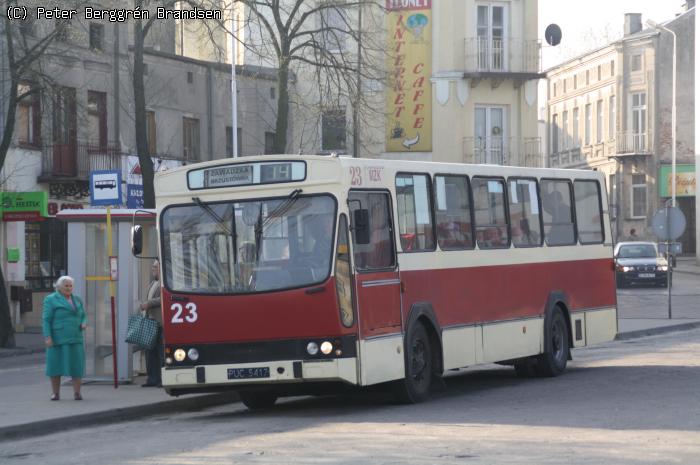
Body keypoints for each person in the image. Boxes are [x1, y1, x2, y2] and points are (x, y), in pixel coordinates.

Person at [42, 276, 87, 401]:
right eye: (66, 286)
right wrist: (47, 337)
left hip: (75, 337)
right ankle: (55, 393)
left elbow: (83, 314)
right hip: (57, 338)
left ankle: (77, 393)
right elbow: (46, 320)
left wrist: (84, 322)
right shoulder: (51, 299)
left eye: (70, 286)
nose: (69, 288)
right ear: (59, 287)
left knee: (77, 365)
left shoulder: (77, 299)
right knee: (55, 366)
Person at [140, 260, 162, 387]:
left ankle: (161, 379)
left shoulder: (164, 283)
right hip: (149, 321)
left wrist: (149, 303)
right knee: (150, 351)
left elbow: (163, 298)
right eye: (152, 266)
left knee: (159, 352)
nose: (153, 268)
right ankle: (152, 379)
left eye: (156, 266)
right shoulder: (153, 283)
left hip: (159, 322)